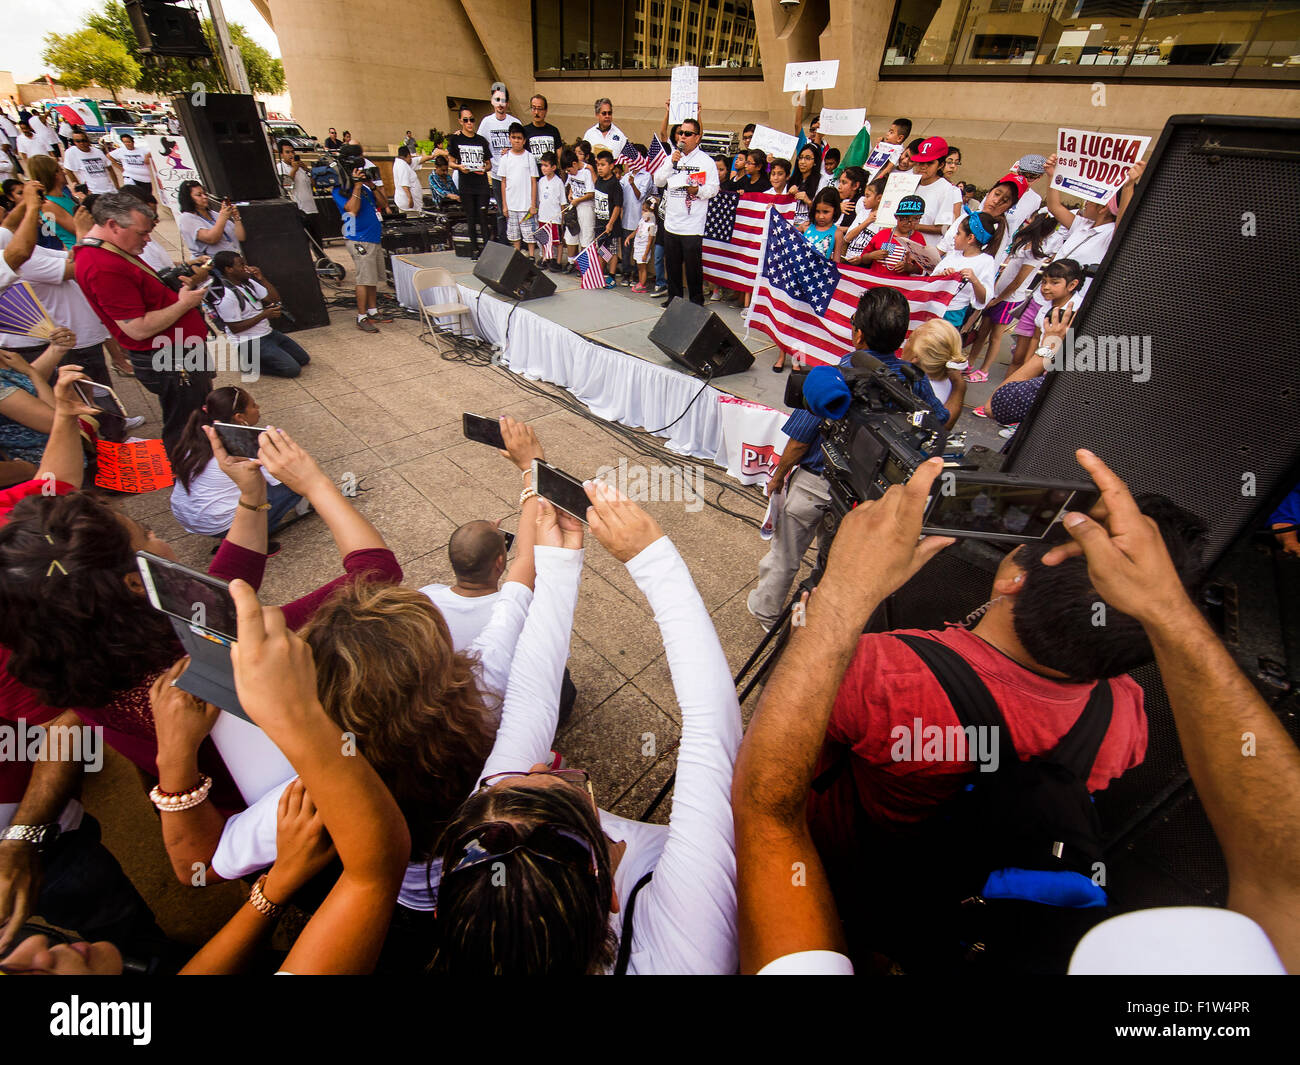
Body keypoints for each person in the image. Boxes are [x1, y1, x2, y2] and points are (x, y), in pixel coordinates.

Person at [430, 482, 743, 974]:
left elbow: (530, 702)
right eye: (567, 788)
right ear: (612, 897)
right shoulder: (687, 947)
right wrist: (652, 560)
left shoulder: (492, 838)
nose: (537, 763)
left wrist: (559, 566)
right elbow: (713, 732)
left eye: (504, 781)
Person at [748, 288, 949, 630]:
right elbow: (938, 421)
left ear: (858, 333)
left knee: (785, 556)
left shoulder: (836, 376)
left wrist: (779, 476)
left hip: (815, 484)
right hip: (868, 495)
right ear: (901, 339)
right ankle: (812, 621)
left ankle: (765, 612)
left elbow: (800, 439)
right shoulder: (913, 380)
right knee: (834, 564)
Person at [75, 191, 214, 455]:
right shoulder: (102, 265)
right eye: (141, 233)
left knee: (195, 411)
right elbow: (136, 328)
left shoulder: (111, 251)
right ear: (113, 225)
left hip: (179, 351)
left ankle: (200, 461)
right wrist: (184, 303)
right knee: (185, 422)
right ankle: (190, 472)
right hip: (169, 357)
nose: (147, 239)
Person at [168, 386, 306, 537]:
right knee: (296, 484)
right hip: (221, 525)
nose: (258, 407)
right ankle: (254, 536)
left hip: (190, 519)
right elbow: (286, 476)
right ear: (239, 417)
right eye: (253, 405)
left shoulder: (197, 437)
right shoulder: (243, 445)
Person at [966, 211, 1059, 387]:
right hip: (997, 294)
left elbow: (1017, 282)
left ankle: (984, 370)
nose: (1027, 220)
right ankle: (969, 363)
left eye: (1032, 218)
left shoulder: (1034, 253)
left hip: (1008, 300)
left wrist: (998, 299)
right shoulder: (1024, 244)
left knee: (995, 337)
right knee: (982, 331)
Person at [205, 251, 312, 379]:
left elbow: (274, 299)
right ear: (229, 269)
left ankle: (265, 356)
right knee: (292, 370)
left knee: (303, 359)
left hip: (268, 333)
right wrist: (264, 315)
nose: (246, 267)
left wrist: (262, 278)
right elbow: (235, 328)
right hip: (248, 341)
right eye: (241, 265)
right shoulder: (226, 295)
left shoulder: (247, 282)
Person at [651, 117, 719, 307]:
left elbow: (714, 189)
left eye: (688, 134)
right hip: (672, 222)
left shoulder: (706, 162)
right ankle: (674, 299)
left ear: (697, 137)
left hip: (692, 224)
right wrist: (670, 163)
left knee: (692, 267)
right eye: (681, 133)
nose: (682, 137)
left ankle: (696, 301)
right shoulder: (672, 157)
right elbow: (658, 181)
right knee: (672, 265)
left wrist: (698, 191)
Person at [332, 153, 389, 333]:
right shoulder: (340, 190)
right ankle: (361, 316)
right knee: (363, 279)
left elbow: (383, 203)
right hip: (358, 239)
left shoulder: (365, 188)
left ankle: (372, 310)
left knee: (371, 278)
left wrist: (371, 186)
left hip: (372, 238)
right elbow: (352, 210)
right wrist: (356, 186)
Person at [931, 209, 1004, 331]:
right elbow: (932, 279)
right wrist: (943, 276)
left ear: (970, 238)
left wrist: (974, 280)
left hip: (953, 315)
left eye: (958, 233)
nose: (954, 236)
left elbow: (983, 299)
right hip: (934, 309)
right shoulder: (953, 255)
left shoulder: (986, 261)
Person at [901, 317, 966, 427]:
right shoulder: (951, 384)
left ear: (915, 357)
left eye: (910, 340)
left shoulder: (907, 386)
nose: (905, 343)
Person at [446, 107, 492, 259]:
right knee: (470, 217)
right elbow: (451, 163)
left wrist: (484, 169)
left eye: (471, 119)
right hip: (466, 184)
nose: (469, 123)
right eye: (465, 120)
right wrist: (460, 167)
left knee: (483, 216)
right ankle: (474, 249)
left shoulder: (481, 141)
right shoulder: (456, 140)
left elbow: (489, 164)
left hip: (481, 184)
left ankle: (486, 249)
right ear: (460, 121)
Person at [478, 84, 521, 245]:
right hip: (497, 174)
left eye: (503, 101)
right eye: (497, 100)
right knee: (502, 211)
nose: (501, 104)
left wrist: (511, 150)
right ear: (492, 102)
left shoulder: (514, 122)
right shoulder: (486, 123)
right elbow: (480, 144)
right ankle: (504, 242)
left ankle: (518, 240)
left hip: (514, 175)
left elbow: (522, 144)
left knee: (517, 209)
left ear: (507, 103)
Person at [176, 180, 245, 260]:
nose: (204, 197)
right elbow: (211, 238)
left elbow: (241, 237)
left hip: (235, 261)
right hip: (214, 265)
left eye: (205, 194)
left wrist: (237, 218)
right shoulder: (187, 218)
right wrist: (223, 217)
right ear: (188, 198)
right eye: (199, 195)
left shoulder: (214, 214)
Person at [498, 123, 539, 258]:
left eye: (519, 138)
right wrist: (505, 205)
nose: (516, 140)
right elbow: (503, 182)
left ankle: (532, 255)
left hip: (526, 205)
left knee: (529, 232)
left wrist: (533, 204)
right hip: (511, 204)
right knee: (514, 232)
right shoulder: (505, 158)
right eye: (514, 137)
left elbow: (534, 182)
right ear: (509, 138)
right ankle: (517, 254)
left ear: (524, 140)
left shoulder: (529, 157)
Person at [24, 156, 78, 250]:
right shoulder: (48, 205)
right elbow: (78, 229)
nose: (64, 172)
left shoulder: (62, 196)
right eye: (61, 170)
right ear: (55, 174)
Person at [617, 146, 651, 284]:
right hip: (626, 219)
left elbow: (639, 196)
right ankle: (626, 273)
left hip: (640, 221)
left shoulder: (646, 176)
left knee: (638, 249)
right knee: (626, 250)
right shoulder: (626, 176)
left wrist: (632, 184)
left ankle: (637, 275)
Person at [276, 139, 320, 244]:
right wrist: (294, 170)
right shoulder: (280, 168)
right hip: (298, 211)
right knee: (302, 243)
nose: (291, 154)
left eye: (292, 152)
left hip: (312, 209)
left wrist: (306, 169)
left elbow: (314, 184)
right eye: (287, 152)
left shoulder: (300, 167)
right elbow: (286, 186)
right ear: (281, 154)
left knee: (317, 243)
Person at [592, 150, 622, 288]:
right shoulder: (599, 180)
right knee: (603, 249)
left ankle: (612, 275)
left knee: (613, 250)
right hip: (599, 222)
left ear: (611, 166)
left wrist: (611, 223)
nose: (599, 168)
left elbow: (617, 206)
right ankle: (600, 273)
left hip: (611, 225)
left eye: (603, 165)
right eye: (598, 164)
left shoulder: (614, 184)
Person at [562, 146, 596, 266]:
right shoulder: (571, 173)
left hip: (586, 206)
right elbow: (570, 184)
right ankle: (572, 262)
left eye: (569, 170)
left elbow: (591, 193)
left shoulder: (586, 172)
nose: (569, 173)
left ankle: (585, 265)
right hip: (574, 205)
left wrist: (578, 200)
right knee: (571, 233)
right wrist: (571, 194)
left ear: (575, 164)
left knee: (586, 235)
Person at [535, 151, 565, 271]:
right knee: (544, 239)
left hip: (554, 217)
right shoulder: (541, 181)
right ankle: (546, 258)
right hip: (543, 216)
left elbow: (563, 202)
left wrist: (562, 219)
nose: (543, 168)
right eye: (542, 165)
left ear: (553, 167)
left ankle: (557, 262)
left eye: (546, 165)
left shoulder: (558, 182)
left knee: (557, 241)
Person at [61, 131, 117, 196]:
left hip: (110, 191)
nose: (81, 143)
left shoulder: (97, 151)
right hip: (93, 193)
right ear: (74, 142)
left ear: (88, 140)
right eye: (78, 141)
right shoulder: (71, 152)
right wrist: (80, 189)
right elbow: (68, 170)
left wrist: (117, 186)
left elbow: (110, 168)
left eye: (83, 140)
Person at [797, 188, 840, 260]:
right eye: (817, 211)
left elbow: (836, 263)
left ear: (835, 211)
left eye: (825, 212)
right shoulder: (806, 226)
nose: (821, 216)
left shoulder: (837, 234)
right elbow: (785, 233)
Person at [107, 132, 155, 198]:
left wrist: (147, 156)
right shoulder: (121, 151)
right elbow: (109, 156)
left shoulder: (142, 150)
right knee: (132, 196)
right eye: (125, 142)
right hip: (130, 177)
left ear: (133, 142)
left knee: (146, 197)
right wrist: (119, 167)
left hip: (145, 179)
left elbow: (154, 151)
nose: (127, 144)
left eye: (128, 142)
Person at [787, 142, 822, 226]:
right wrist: (788, 195)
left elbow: (823, 211)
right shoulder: (792, 180)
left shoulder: (822, 181)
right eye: (801, 157)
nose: (802, 162)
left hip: (809, 229)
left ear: (815, 162)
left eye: (808, 158)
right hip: (789, 227)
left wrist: (808, 201)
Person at [626, 198, 656, 293]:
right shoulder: (642, 221)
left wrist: (645, 254)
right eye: (642, 210)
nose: (643, 213)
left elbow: (650, 241)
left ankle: (642, 285)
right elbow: (636, 231)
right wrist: (629, 237)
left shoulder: (652, 225)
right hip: (638, 246)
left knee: (643, 268)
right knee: (639, 267)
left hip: (644, 249)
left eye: (646, 211)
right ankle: (640, 282)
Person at [522, 94, 563, 163]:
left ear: (545, 110)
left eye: (540, 109)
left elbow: (559, 158)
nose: (536, 112)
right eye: (534, 108)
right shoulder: (524, 131)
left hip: (551, 172)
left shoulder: (553, 131)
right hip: (532, 172)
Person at [392, 145, 426, 214]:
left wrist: (432, 156)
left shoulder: (402, 163)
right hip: (409, 205)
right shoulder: (402, 166)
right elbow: (404, 185)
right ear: (408, 155)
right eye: (410, 157)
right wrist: (410, 199)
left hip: (409, 204)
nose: (411, 159)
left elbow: (418, 160)